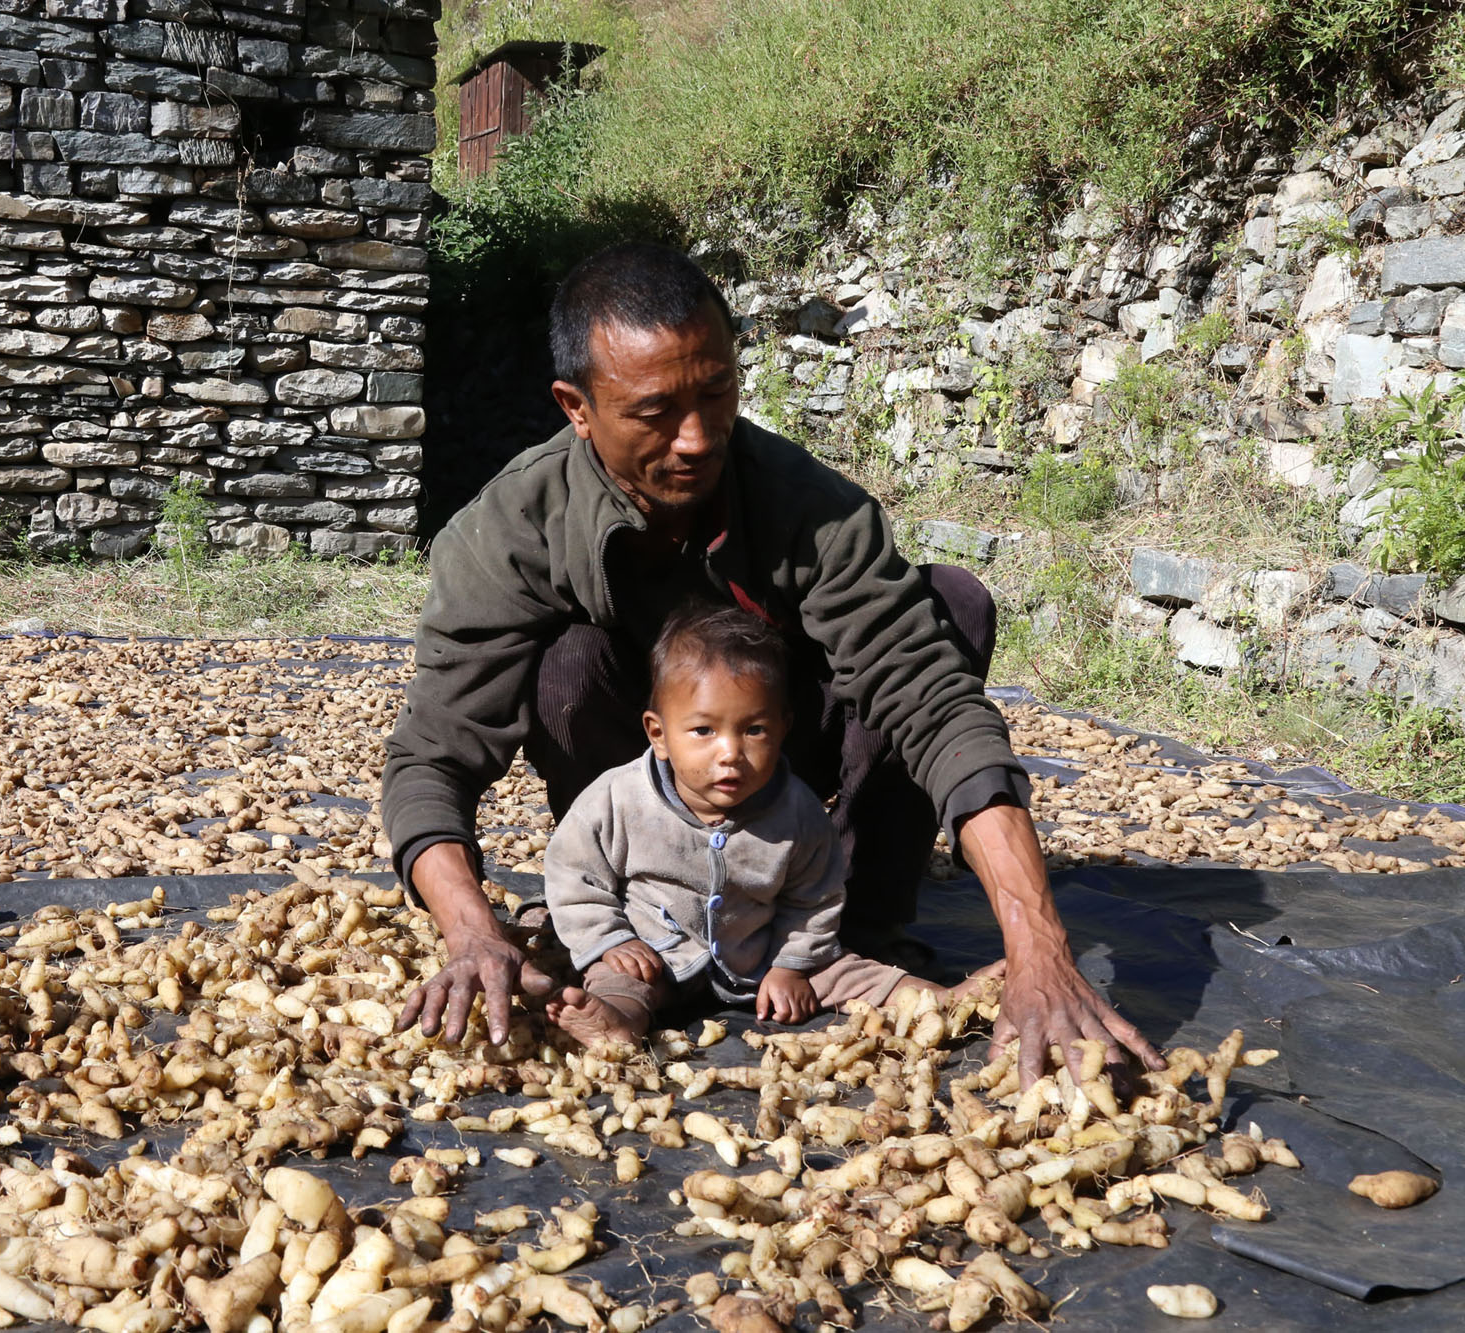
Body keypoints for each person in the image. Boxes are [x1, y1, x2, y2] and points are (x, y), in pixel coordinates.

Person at [383, 241, 1160, 1086]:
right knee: (566, 663)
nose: (696, 438)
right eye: (653, 412)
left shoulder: (804, 505)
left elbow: (933, 703)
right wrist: (472, 931)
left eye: (717, 392)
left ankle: (853, 927)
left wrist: (1040, 946)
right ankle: (625, 922)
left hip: (785, 744)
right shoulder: (510, 528)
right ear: (578, 406)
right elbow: (433, 758)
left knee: (952, 602)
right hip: (637, 784)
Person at [542, 602, 992, 1048]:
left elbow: (815, 898)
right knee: (619, 981)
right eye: (703, 731)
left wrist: (790, 965)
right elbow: (575, 875)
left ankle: (943, 1000)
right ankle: (617, 1022)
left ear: (782, 729)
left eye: (754, 730)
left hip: (760, 954)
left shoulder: (796, 811)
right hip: (655, 950)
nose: (730, 753)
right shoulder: (619, 798)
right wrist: (609, 940)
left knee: (852, 972)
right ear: (658, 734)